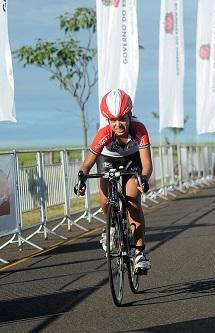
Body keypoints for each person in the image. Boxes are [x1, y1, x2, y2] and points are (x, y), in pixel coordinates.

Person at [74, 89, 152, 275]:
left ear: (130, 115)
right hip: (108, 160)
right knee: (105, 195)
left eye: (123, 118)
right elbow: (87, 164)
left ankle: (140, 254)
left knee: (133, 201)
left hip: (132, 160)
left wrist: (144, 179)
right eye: (113, 120)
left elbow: (147, 164)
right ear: (107, 120)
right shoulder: (103, 134)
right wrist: (81, 180)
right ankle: (111, 226)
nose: (118, 124)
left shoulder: (139, 130)